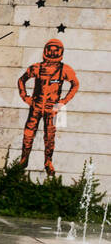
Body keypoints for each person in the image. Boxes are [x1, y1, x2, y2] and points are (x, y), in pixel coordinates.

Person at [18, 39, 79, 177]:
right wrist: (25, 97)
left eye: (55, 50)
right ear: (45, 51)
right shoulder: (36, 68)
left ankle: (48, 162)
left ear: (61, 52)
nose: (52, 53)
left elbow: (75, 84)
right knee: (28, 134)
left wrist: (63, 102)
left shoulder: (65, 69)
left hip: (54, 109)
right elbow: (21, 80)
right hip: (36, 106)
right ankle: (24, 159)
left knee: (50, 137)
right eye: (50, 49)